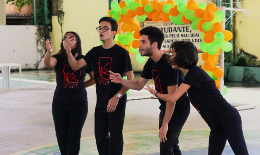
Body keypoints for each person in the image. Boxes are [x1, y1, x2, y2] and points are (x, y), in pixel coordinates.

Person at [145, 41, 249, 155]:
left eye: (173, 55)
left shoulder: (194, 74)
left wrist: (155, 93)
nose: (171, 58)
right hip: (217, 125)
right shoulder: (190, 75)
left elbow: (172, 98)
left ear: (182, 57)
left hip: (229, 120)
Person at [110, 26, 190, 155]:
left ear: (154, 44)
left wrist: (165, 124)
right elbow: (139, 84)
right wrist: (121, 80)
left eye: (143, 42)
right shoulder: (151, 63)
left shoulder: (170, 65)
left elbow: (172, 99)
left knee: (166, 147)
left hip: (178, 108)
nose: (139, 45)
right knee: (172, 145)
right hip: (165, 107)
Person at [63, 17, 134, 155]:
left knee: (115, 136)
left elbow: (131, 80)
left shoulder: (122, 53)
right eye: (99, 28)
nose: (101, 31)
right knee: (100, 136)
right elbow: (75, 66)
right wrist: (68, 52)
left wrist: (117, 96)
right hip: (101, 101)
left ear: (114, 32)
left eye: (105, 28)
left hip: (116, 101)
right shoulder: (95, 52)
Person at [44, 31, 95, 155]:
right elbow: (49, 63)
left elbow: (95, 78)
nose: (68, 40)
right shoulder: (58, 57)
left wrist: (81, 85)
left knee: (74, 136)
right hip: (60, 103)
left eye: (71, 38)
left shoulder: (83, 59)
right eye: (65, 38)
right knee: (61, 136)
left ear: (77, 41)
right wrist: (49, 52)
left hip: (78, 103)